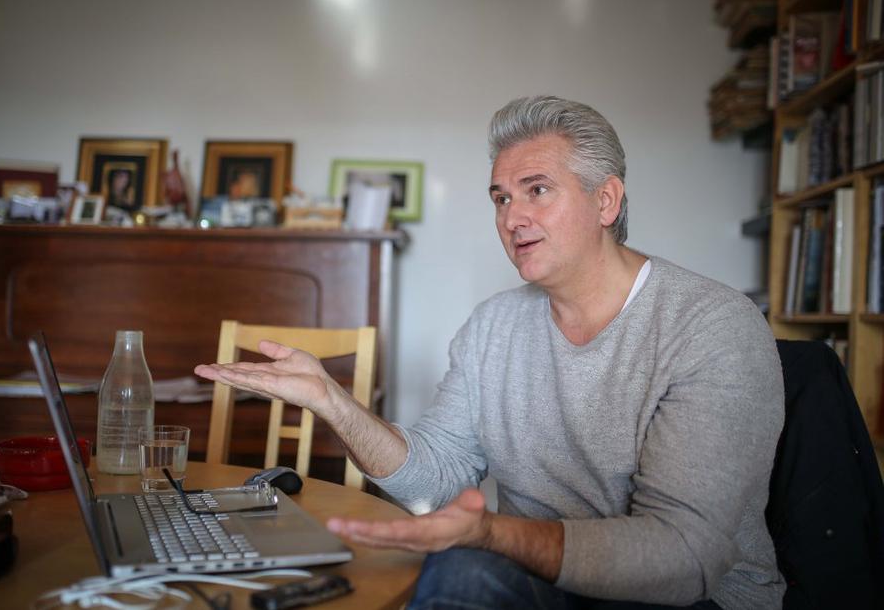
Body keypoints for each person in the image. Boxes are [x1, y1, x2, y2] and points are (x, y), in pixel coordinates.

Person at [195, 96, 785, 610]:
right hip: (542, 581)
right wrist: (333, 403)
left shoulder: (711, 325)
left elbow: (681, 557)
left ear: (606, 202)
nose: (512, 218)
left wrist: (492, 533)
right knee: (458, 572)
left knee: (469, 560)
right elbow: (435, 482)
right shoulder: (493, 326)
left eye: (537, 191)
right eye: (501, 198)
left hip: (690, 599)